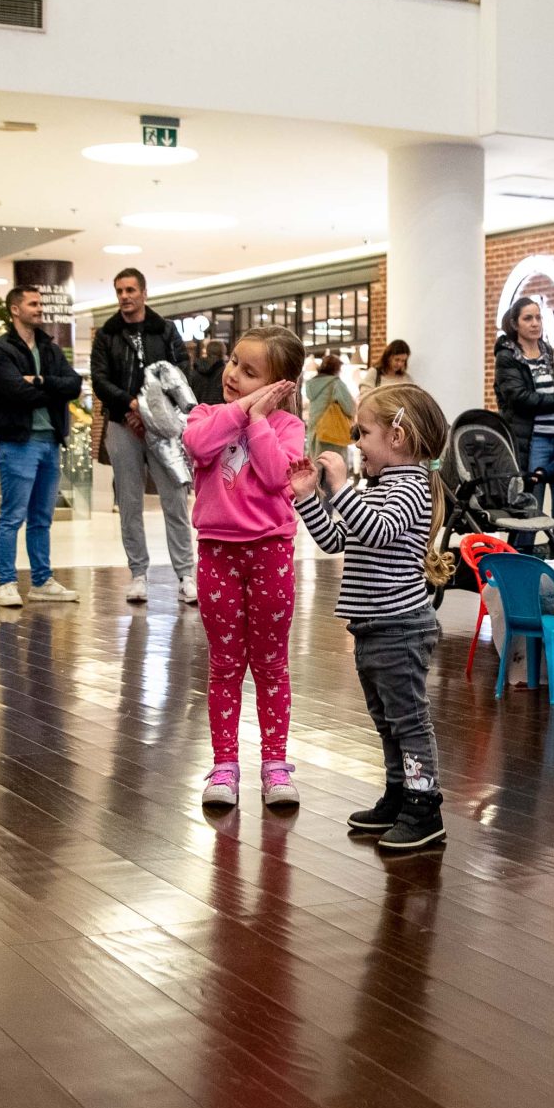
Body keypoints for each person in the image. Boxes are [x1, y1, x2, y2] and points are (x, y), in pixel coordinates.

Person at [291, 381, 451, 851]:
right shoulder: (379, 487)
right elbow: (337, 540)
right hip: (373, 627)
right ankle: (399, 793)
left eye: (363, 434)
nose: (357, 443)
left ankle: (424, 807)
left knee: (409, 721)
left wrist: (340, 488)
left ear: (396, 437)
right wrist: (308, 498)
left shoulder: (412, 487)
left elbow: (379, 531)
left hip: (400, 627)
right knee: (387, 720)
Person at [184, 324, 307, 810]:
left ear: (280, 387)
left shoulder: (287, 428)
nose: (233, 374)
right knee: (224, 664)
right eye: (234, 361)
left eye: (250, 372)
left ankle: (275, 764)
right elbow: (199, 446)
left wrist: (257, 419)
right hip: (218, 553)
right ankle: (224, 765)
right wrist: (242, 410)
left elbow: (278, 476)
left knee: (271, 663)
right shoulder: (206, 415)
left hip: (271, 553)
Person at [90, 267, 196, 605]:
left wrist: (155, 409)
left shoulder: (164, 330)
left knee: (175, 499)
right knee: (129, 503)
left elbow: (181, 371)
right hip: (123, 425)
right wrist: (132, 406)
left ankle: (186, 574)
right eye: (119, 291)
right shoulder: (107, 334)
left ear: (144, 292)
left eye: (130, 290)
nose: (124, 296)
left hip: (163, 428)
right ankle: (138, 574)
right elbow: (100, 380)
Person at [0, 281, 81, 608]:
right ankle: (6, 583)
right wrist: (53, 390)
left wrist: (40, 381)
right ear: (15, 309)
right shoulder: (1, 350)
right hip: (17, 444)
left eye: (41, 304)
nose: (40, 309)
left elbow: (74, 385)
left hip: (50, 442)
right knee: (12, 516)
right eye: (33, 304)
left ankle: (41, 581)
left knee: (42, 518)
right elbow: (14, 391)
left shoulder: (49, 348)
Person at [493, 295, 554, 545]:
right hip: (534, 440)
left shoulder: (549, 352)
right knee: (530, 510)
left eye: (538, 317)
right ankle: (521, 562)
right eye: (527, 318)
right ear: (515, 323)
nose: (535, 323)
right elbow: (520, 398)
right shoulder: (507, 356)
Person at [305, 349, 358, 460]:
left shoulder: (311, 384)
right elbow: (350, 408)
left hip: (314, 432)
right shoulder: (336, 384)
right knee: (334, 465)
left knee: (317, 464)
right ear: (336, 369)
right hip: (332, 433)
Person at [189, 332, 231, 407]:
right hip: (218, 411)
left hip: (198, 410)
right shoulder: (226, 372)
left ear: (207, 351)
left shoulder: (195, 371)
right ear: (223, 352)